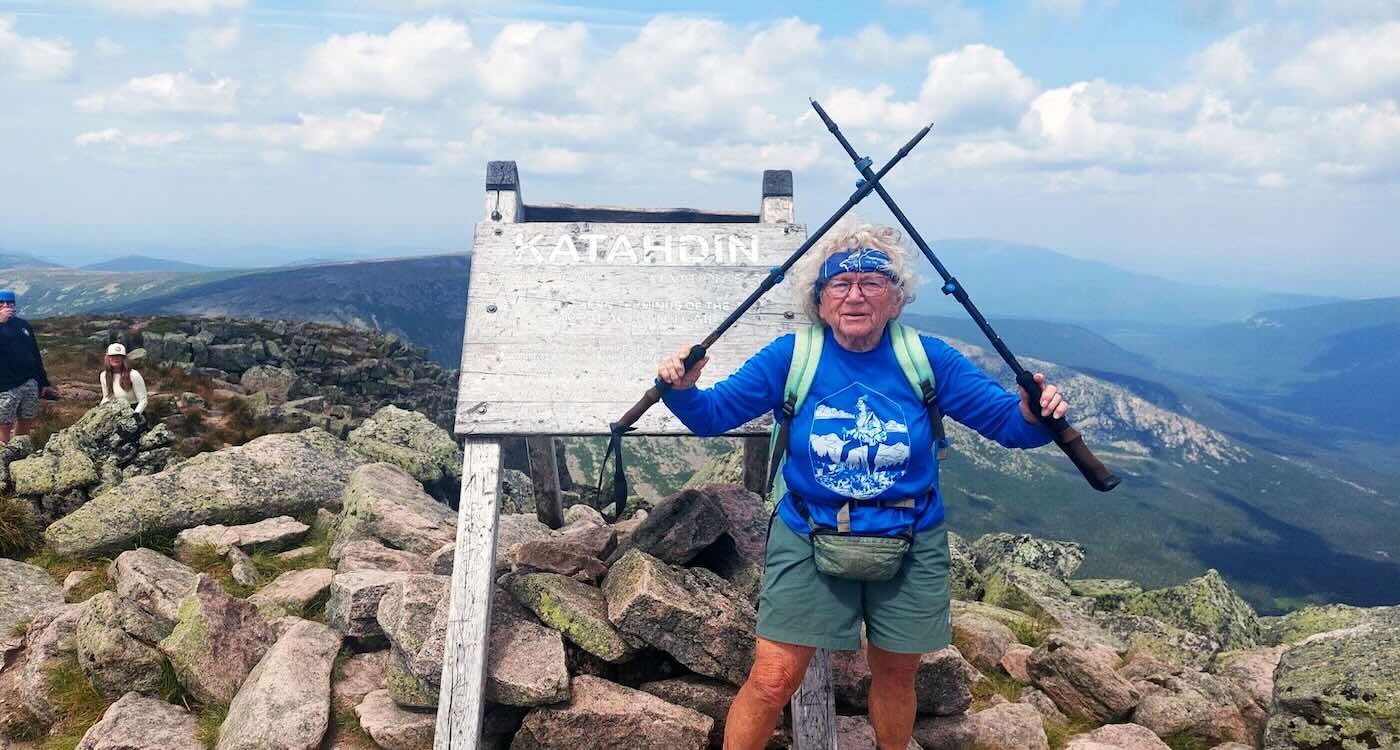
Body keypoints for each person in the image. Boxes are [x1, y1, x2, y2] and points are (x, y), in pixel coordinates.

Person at [656, 223, 1069, 750]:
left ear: (895, 298)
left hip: (911, 535)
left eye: (871, 282)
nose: (855, 294)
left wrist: (1035, 415)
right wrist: (684, 391)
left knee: (897, 675)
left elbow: (1009, 427)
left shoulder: (928, 360)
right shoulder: (792, 357)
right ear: (820, 300)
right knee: (773, 679)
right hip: (808, 530)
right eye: (840, 284)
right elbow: (713, 415)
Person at [0, 289, 58, 443]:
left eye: (10, 302)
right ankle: (3, 457)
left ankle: (20, 452)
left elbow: (35, 354)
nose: (6, 306)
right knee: (4, 424)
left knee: (26, 419)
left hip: (30, 382)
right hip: (5, 385)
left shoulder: (23, 325)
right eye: (2, 303)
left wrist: (43, 382)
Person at [99, 343, 148, 417]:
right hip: (114, 412)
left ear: (124, 358)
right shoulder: (104, 375)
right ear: (108, 358)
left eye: (119, 356)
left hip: (134, 411)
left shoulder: (134, 374)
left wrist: (136, 414)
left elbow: (143, 400)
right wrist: (99, 411)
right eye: (112, 356)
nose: (116, 358)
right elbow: (106, 397)